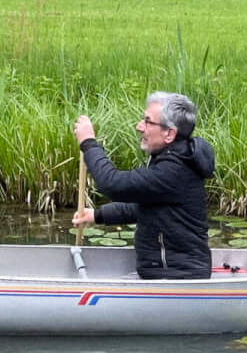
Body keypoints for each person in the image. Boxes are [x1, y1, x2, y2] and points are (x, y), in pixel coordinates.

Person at [72, 93, 216, 280]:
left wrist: (88, 143)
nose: (139, 127)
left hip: (176, 276)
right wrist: (97, 215)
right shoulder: (173, 159)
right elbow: (148, 208)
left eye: (148, 122)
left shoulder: (173, 170)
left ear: (169, 134)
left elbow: (112, 184)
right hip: (166, 273)